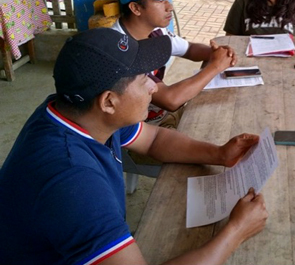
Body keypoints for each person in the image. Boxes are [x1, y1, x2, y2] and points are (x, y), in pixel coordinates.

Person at [0, 28, 268, 264]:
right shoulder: (72, 180)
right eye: (143, 79)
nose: (154, 86)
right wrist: (236, 231)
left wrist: (218, 153)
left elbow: (154, 140)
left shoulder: (79, 112)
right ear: (108, 102)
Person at [116, 0, 237, 127]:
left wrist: (215, 53)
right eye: (160, 1)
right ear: (135, 8)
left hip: (163, 115)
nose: (170, 7)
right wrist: (215, 66)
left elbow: (189, 49)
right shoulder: (120, 49)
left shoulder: (155, 30)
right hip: (141, 130)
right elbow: (170, 100)